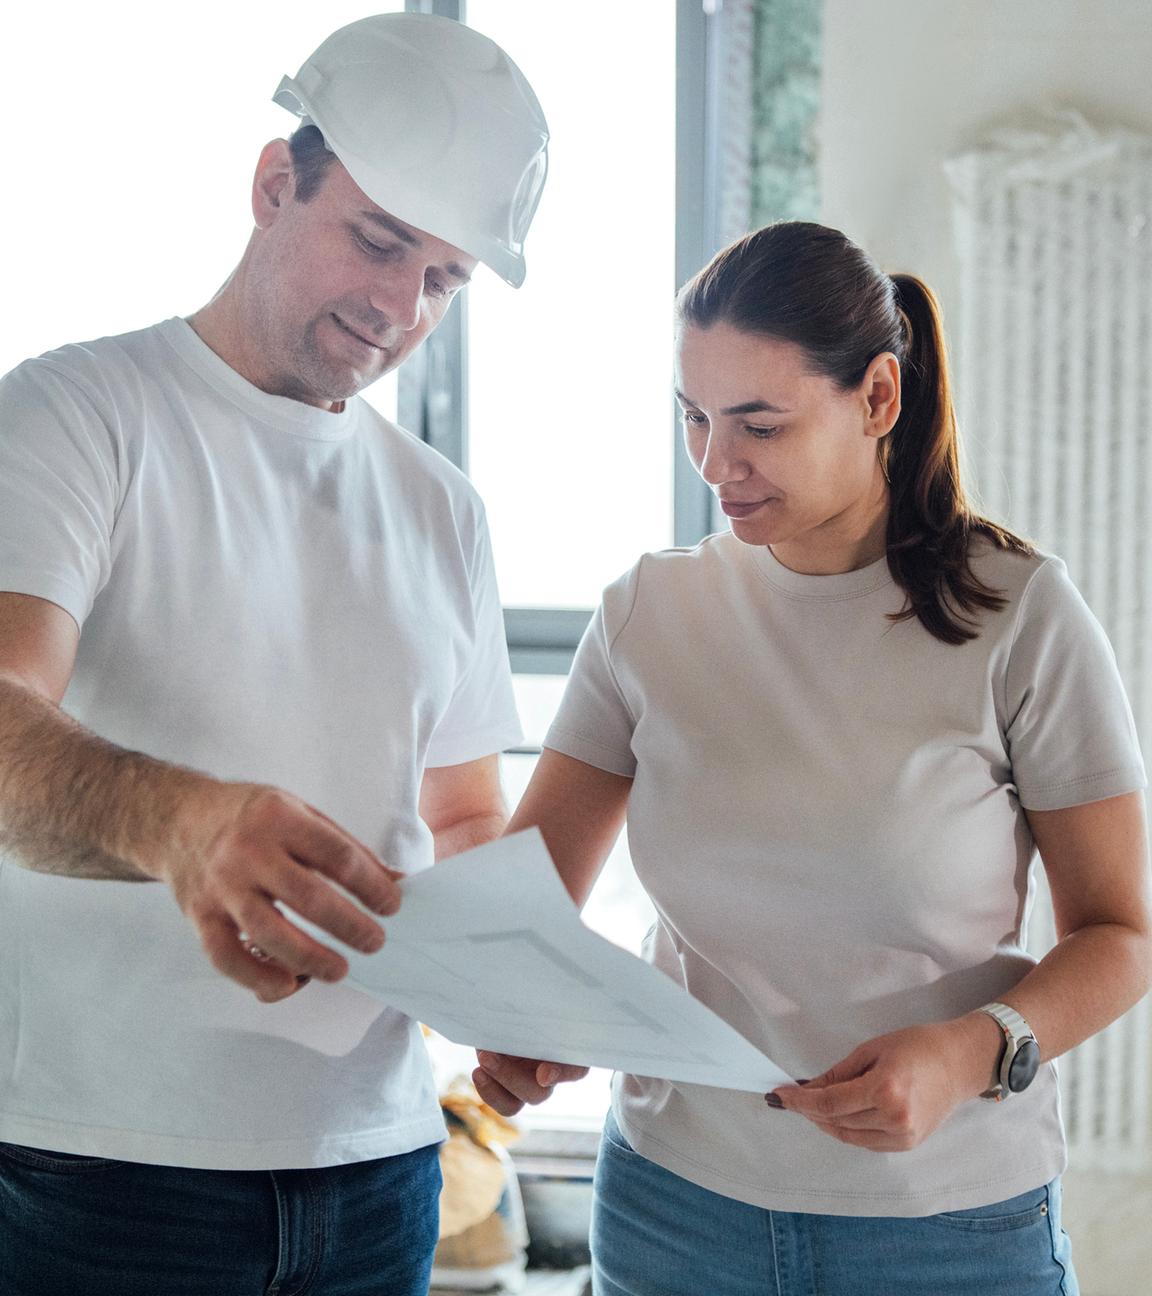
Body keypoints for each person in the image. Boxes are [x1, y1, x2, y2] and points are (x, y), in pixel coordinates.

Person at [473, 221, 1152, 1295]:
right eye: (693, 416)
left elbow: (1120, 937)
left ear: (878, 397)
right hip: (671, 1214)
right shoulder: (649, 612)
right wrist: (526, 1018)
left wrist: (972, 1049)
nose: (715, 463)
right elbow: (526, 901)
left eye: (760, 425)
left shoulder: (1020, 617)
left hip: (946, 1235)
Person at [0, 14, 548, 1296]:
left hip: (381, 1174)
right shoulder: (74, 416)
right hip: (101, 1175)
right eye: (379, 240)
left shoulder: (444, 509)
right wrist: (183, 825)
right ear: (271, 184)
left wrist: (519, 993)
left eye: (444, 280)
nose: (398, 309)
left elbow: (464, 818)